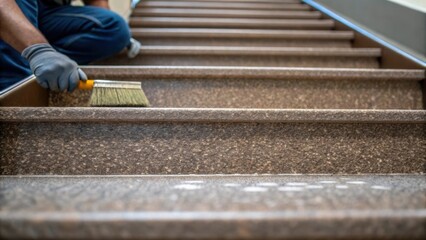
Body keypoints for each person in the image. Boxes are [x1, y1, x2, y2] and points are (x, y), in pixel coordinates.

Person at [0, 0, 141, 92]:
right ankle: (15, 83)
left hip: (48, 13)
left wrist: (121, 37)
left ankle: (51, 64)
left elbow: (97, 2)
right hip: (11, 8)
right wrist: (37, 48)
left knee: (115, 27)